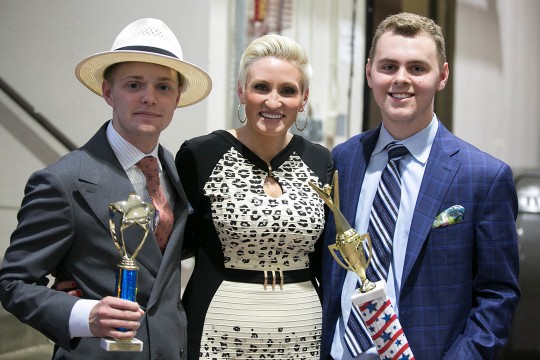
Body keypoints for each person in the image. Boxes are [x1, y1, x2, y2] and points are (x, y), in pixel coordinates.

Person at [0, 18, 211, 359]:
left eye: (163, 87)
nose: (149, 98)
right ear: (108, 92)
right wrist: (85, 316)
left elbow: (159, 259)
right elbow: (14, 284)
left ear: (176, 99)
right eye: (133, 84)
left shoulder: (174, 170)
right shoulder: (63, 181)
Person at [320, 12, 520, 360]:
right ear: (369, 73)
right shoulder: (343, 161)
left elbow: (497, 294)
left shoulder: (484, 177)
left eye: (417, 68)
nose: (401, 79)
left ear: (441, 75)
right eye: (388, 66)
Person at [175, 34, 333, 359]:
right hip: (217, 330)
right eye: (261, 87)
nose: (273, 102)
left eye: (287, 90)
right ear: (241, 90)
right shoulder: (200, 155)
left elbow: (325, 259)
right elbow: (173, 245)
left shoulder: (321, 161)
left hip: (304, 332)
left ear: (303, 99)